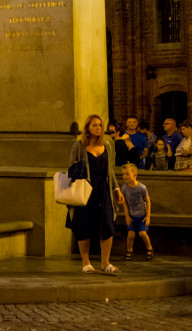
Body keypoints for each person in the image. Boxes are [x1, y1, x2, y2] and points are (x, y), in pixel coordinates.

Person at [67, 114, 123, 275]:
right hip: (85, 190)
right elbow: (70, 166)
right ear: (88, 129)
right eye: (95, 125)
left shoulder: (107, 145)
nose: (99, 128)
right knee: (84, 225)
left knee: (107, 224)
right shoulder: (79, 146)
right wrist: (79, 167)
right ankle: (86, 262)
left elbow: (110, 170)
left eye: (100, 125)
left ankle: (105, 263)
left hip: (103, 190)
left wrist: (117, 188)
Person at [119, 163, 152, 261]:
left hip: (142, 215)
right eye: (123, 174)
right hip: (132, 216)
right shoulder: (124, 188)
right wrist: (127, 216)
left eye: (127, 174)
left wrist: (148, 216)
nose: (125, 176)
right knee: (130, 235)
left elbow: (148, 201)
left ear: (135, 175)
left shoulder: (142, 187)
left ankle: (149, 248)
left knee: (142, 233)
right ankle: (129, 250)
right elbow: (124, 203)